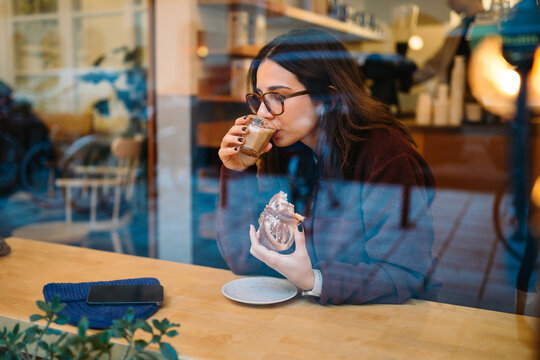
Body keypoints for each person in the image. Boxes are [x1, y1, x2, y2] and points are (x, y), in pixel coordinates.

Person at [216, 29, 437, 305]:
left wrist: (314, 281)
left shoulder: (384, 153)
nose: (262, 113)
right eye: (260, 98)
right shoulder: (285, 152)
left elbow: (403, 274)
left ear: (328, 99)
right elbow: (245, 260)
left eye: (277, 97)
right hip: (304, 321)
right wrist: (237, 171)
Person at [413, 0, 485, 84]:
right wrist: (408, 79)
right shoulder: (456, 33)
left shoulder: (494, 27)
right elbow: (434, 64)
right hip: (456, 93)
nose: (448, 4)